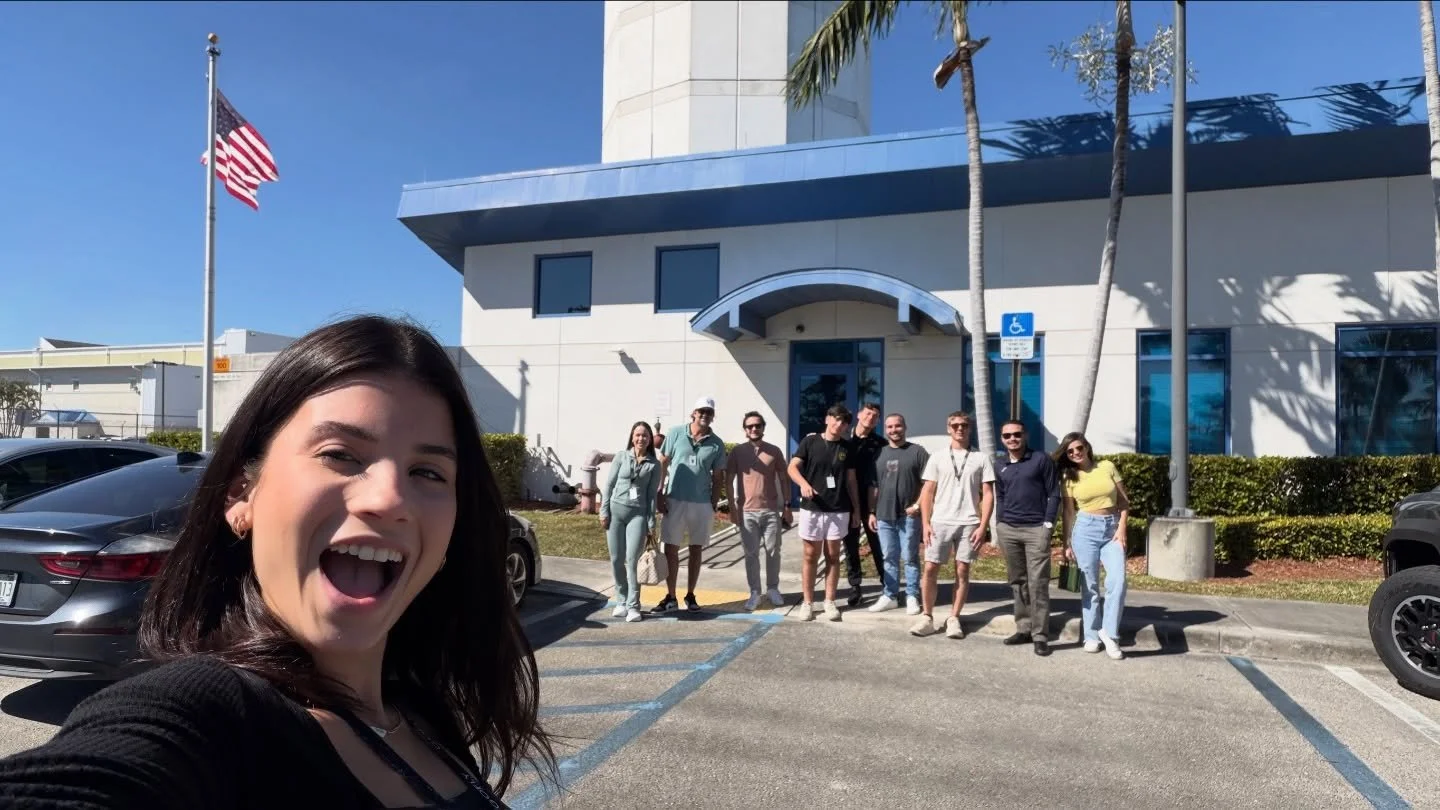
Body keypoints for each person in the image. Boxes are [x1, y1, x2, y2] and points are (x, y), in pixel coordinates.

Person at [0, 315, 555, 807]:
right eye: (340, 455)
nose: (390, 498)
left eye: (428, 473)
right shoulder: (207, 718)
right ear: (243, 495)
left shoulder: (417, 711)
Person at [912, 411, 995, 638]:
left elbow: (988, 494)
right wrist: (926, 523)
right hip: (940, 521)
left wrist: (983, 525)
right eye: (955, 425)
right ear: (949, 428)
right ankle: (927, 617)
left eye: (964, 425)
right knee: (930, 568)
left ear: (970, 429)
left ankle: (953, 618)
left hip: (969, 523)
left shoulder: (981, 458)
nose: (960, 428)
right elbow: (927, 491)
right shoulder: (937, 457)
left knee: (962, 569)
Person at [1055, 431, 1131, 660]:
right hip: (1085, 530)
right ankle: (1091, 635)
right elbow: (1069, 512)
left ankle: (1109, 633)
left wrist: (1121, 529)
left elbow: (1124, 501)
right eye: (1070, 451)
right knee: (1090, 586)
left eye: (1079, 448)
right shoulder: (1069, 477)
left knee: (1118, 581)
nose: (1076, 453)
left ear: (1087, 447)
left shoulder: (1107, 466)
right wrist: (1066, 542)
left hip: (1112, 529)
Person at [787, 403, 861, 622]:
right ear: (827, 419)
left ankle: (829, 601)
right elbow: (792, 467)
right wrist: (802, 484)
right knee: (810, 555)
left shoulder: (847, 448)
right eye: (836, 419)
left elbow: (851, 481)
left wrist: (856, 509)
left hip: (839, 509)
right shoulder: (810, 441)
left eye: (844, 422)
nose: (839, 425)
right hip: (813, 508)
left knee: (833, 556)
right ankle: (808, 602)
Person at [994, 419, 1060, 656]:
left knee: (1038, 583)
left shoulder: (1041, 459)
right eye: (1007, 435)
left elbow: (1054, 493)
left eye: (1017, 434)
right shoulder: (999, 464)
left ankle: (1040, 635)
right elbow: (1000, 495)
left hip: (1036, 530)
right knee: (1017, 581)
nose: (1012, 438)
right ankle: (1023, 628)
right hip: (1008, 530)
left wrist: (1048, 525)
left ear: (1025, 435)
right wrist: (1000, 521)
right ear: (1002, 439)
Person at [655, 396, 727, 613]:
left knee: (696, 549)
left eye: (709, 412)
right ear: (693, 413)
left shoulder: (716, 443)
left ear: (712, 417)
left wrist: (713, 503)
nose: (705, 415)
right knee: (671, 548)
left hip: (701, 503)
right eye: (701, 411)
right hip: (675, 499)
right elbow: (663, 463)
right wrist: (660, 493)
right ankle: (670, 596)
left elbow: (718, 476)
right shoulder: (676, 433)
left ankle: (690, 595)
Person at [725, 411, 791, 610]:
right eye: (750, 426)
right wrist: (732, 508)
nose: (754, 429)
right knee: (751, 554)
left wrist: (787, 506)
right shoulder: (737, 452)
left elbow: (784, 478)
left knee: (773, 551)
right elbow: (728, 481)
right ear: (745, 430)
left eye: (758, 425)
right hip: (746, 513)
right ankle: (754, 592)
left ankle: (772, 588)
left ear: (763, 427)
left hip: (770, 511)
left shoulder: (774, 451)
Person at [866, 413, 929, 614]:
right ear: (885, 429)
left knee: (910, 557)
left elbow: (929, 484)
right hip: (884, 515)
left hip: (908, 515)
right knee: (888, 557)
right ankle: (890, 595)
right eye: (890, 427)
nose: (894, 430)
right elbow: (873, 487)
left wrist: (918, 506)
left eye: (898, 426)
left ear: (905, 427)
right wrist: (871, 512)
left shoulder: (917, 452)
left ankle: (912, 595)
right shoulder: (879, 454)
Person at [600, 421, 660, 623]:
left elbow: (652, 496)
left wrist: (651, 522)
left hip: (638, 515)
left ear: (650, 439)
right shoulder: (621, 457)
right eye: (637, 435)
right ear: (632, 437)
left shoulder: (654, 464)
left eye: (645, 435)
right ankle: (621, 600)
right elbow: (609, 484)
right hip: (616, 513)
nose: (641, 438)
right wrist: (604, 510)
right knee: (616, 559)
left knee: (633, 560)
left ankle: (634, 605)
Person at [842, 402, 886, 605]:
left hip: (871, 500)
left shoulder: (880, 444)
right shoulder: (842, 439)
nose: (870, 417)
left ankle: (887, 584)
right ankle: (855, 587)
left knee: (878, 543)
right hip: (846, 500)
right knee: (850, 545)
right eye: (868, 413)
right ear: (859, 415)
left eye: (875, 416)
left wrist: (874, 508)